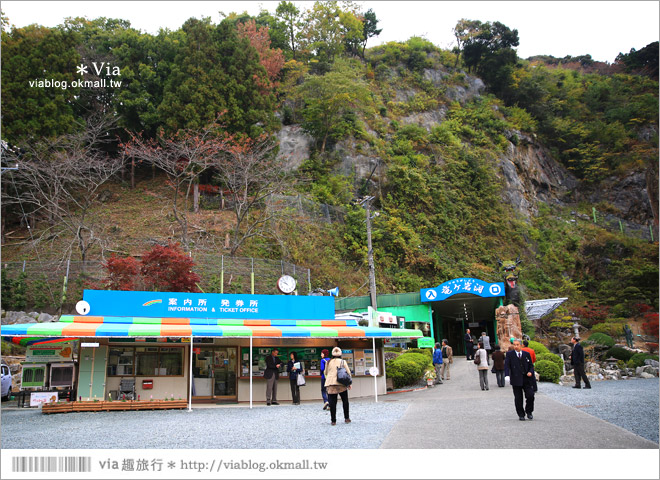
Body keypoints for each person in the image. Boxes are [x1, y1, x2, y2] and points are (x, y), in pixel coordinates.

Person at [504, 338, 536, 420]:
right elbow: (507, 365)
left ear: (521, 345)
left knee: (530, 395)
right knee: (518, 398)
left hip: (526, 378)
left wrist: (530, 372)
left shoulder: (526, 354)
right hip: (516, 378)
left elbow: (531, 365)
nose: (516, 346)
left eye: (517, 345)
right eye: (514, 345)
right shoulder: (510, 354)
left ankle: (529, 411)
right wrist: (507, 375)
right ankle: (521, 414)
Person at [324, 347, 352, 425]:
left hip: (331, 384)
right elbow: (348, 372)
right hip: (341, 384)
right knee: (345, 401)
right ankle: (346, 418)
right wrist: (349, 383)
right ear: (340, 354)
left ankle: (333, 421)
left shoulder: (328, 362)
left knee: (332, 403)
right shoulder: (343, 361)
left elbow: (325, 372)